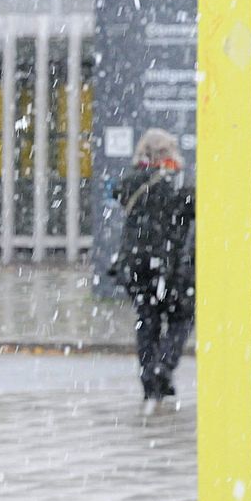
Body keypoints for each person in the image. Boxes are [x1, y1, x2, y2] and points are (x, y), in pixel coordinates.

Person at [110, 129, 195, 415]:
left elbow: (118, 193)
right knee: (182, 317)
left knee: (147, 320)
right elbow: (195, 209)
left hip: (135, 264)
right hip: (168, 265)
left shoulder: (131, 181)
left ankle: (150, 381)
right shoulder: (177, 185)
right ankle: (164, 365)